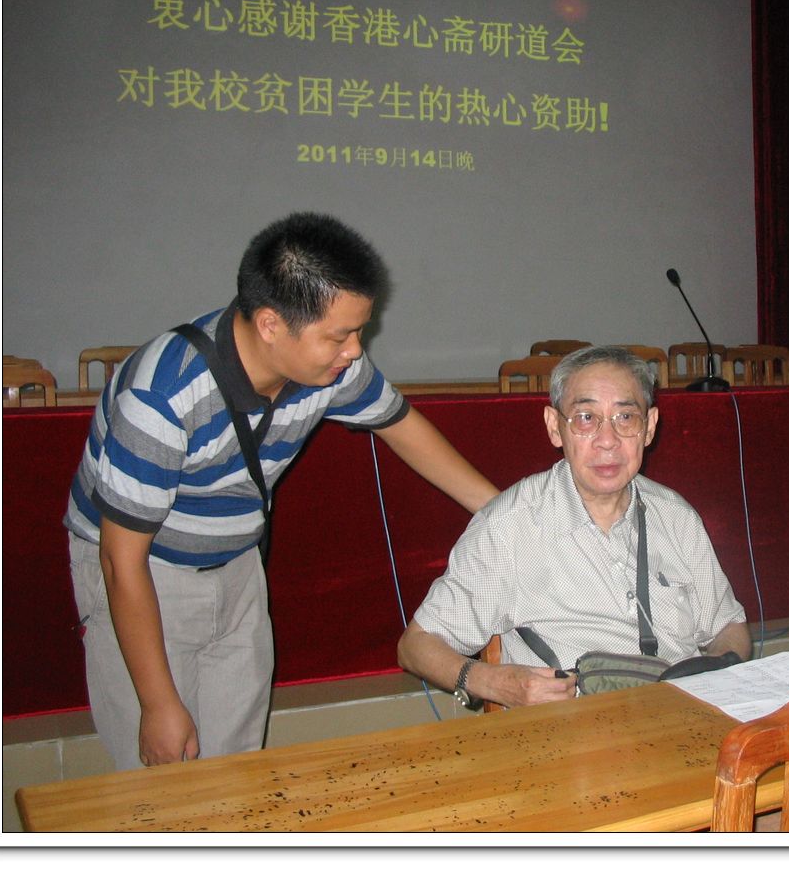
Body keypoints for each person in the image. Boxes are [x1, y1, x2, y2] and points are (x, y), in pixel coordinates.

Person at [64, 212, 500, 770]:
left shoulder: (333, 369)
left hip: (237, 563)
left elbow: (404, 429)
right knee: (159, 776)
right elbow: (120, 561)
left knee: (235, 766)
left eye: (358, 331)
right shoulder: (163, 397)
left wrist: (506, 515)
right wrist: (157, 703)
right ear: (271, 324)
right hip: (145, 575)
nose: (354, 350)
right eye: (338, 335)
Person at [397, 345, 751, 708]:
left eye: (626, 417)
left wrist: (720, 668)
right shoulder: (510, 527)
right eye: (586, 418)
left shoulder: (676, 517)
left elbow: (728, 626)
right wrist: (493, 682)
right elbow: (416, 645)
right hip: (571, 730)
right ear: (555, 427)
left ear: (649, 427)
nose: (608, 440)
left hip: (682, 718)